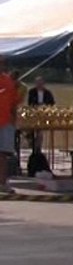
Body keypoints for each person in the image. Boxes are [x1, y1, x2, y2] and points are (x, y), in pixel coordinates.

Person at [0, 63, 17, 192]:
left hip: (6, 122)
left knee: (3, 154)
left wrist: (13, 120)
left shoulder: (8, 81)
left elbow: (14, 102)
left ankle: (3, 182)